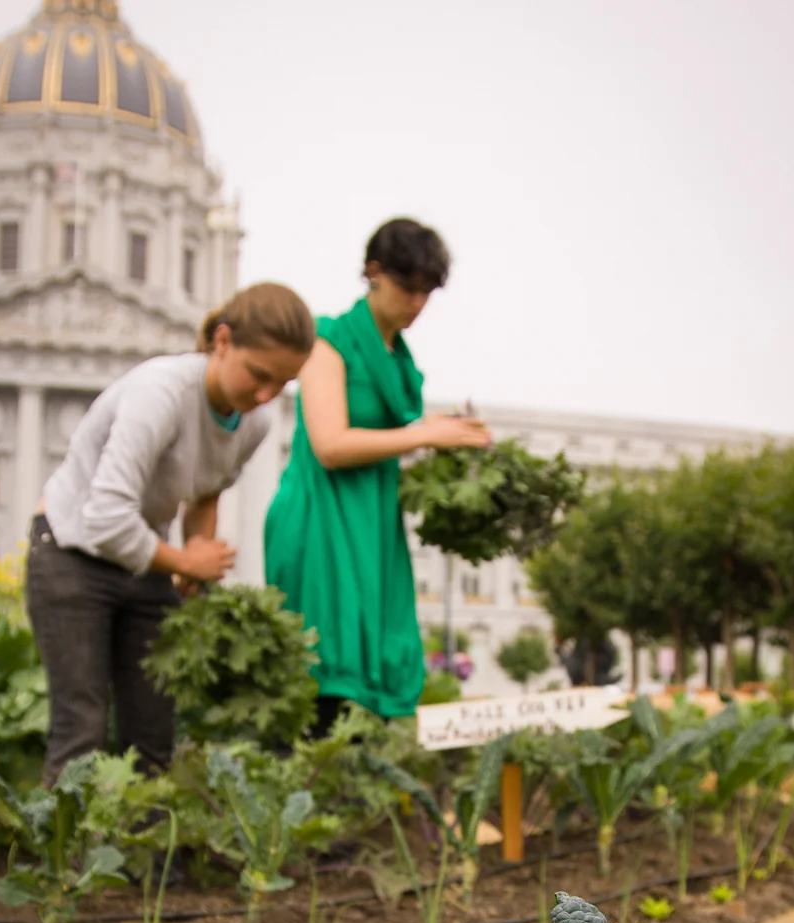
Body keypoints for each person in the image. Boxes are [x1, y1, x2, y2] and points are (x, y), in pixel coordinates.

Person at [27, 283, 315, 783]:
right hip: (71, 553)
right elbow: (105, 517)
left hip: (141, 560)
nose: (266, 396)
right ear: (222, 342)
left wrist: (197, 548)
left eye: (282, 384)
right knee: (82, 728)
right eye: (259, 376)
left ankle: (153, 861)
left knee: (153, 734)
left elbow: (206, 492)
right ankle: (67, 861)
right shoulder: (158, 394)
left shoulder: (255, 421)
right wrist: (185, 562)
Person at [264, 219, 490, 732]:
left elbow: (400, 444)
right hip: (321, 523)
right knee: (326, 687)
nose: (416, 302)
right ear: (373, 273)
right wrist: (426, 434)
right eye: (407, 287)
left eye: (426, 292)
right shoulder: (328, 339)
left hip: (373, 530)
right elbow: (330, 445)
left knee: (378, 695)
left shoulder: (399, 359)